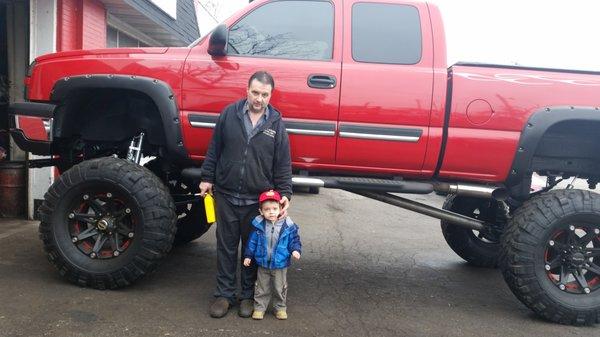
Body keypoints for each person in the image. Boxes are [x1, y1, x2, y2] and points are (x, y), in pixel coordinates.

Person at [199, 71, 292, 318]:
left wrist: (285, 193)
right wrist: (207, 178)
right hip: (226, 196)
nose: (259, 99)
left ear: (270, 95)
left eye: (264, 94)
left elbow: (282, 164)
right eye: (255, 92)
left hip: (257, 202)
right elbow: (214, 148)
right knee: (226, 247)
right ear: (247, 90)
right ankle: (224, 295)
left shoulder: (276, 124)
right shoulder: (229, 114)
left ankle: (247, 297)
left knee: (252, 252)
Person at [243, 190, 302, 320]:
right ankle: (259, 308)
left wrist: (295, 250)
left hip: (280, 264)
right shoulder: (258, 225)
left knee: (279, 287)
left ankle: (280, 307)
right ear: (261, 211)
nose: (271, 212)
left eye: (275, 208)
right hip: (263, 263)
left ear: (281, 208)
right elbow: (252, 242)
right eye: (267, 209)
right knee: (261, 287)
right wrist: (248, 256)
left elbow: (294, 240)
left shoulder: (288, 225)